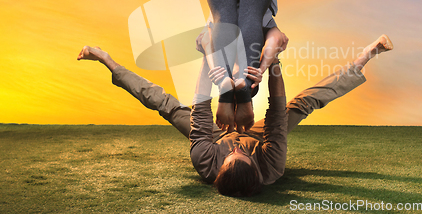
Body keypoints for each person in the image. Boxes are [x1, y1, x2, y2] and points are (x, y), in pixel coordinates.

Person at [77, 34, 393, 197]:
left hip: (213, 135)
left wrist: (206, 57)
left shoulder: (205, 160)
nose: (238, 148)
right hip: (260, 135)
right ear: (255, 167)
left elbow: (200, 105)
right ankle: (365, 57)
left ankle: (106, 60)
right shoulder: (271, 167)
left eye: (232, 156)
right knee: (302, 104)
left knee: (164, 104)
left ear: (220, 167)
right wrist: (275, 64)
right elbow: (275, 119)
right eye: (244, 156)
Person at [200, 0, 282, 133]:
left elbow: (204, 39)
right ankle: (234, 89)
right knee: (246, 16)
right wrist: (261, 68)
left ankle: (231, 89)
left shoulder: (216, 44)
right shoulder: (220, 42)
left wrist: (220, 76)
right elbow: (278, 39)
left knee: (235, 17)